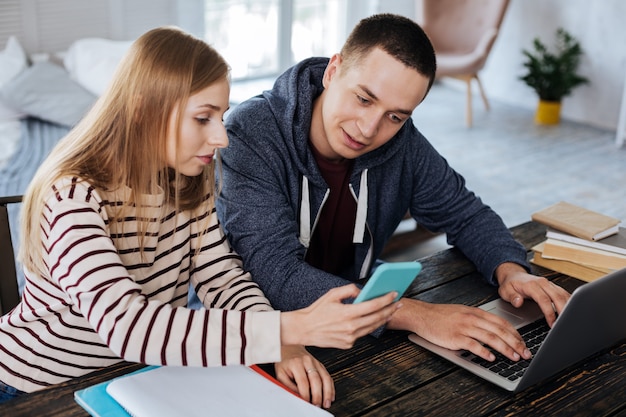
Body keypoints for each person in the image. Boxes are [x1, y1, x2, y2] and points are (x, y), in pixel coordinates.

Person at [0, 27, 402, 407]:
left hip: (132, 378)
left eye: (221, 116)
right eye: (202, 118)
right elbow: (127, 325)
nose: (222, 137)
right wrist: (292, 328)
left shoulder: (185, 181)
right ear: (144, 111)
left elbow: (221, 276)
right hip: (34, 389)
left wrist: (279, 341)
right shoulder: (73, 195)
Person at [216, 13, 571, 366]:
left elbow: (466, 213)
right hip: (258, 335)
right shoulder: (251, 132)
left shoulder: (402, 144)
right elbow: (276, 275)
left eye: (396, 116)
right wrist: (414, 315)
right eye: (364, 99)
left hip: (353, 326)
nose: (369, 130)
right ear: (333, 70)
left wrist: (510, 270)